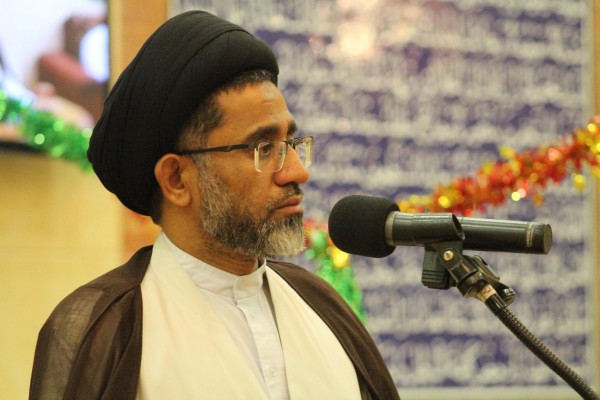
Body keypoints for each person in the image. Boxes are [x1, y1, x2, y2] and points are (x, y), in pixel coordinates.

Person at [29, 10, 400, 400]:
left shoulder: (321, 305)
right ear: (176, 179)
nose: (297, 171)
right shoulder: (107, 328)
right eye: (264, 148)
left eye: (291, 144)